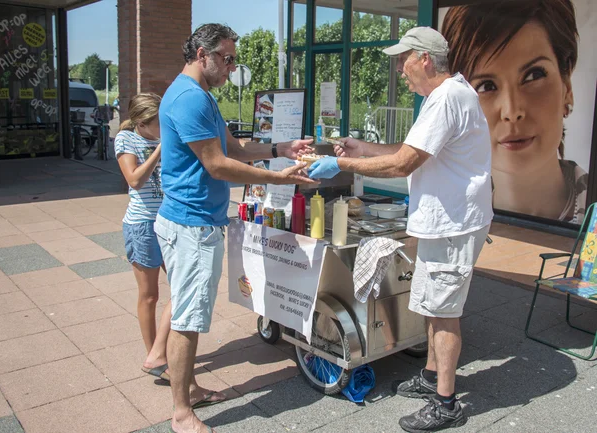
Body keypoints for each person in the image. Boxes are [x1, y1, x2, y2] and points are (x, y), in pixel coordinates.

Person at [308, 27, 493, 432]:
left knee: (444, 313)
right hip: (444, 222)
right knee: (430, 303)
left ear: (424, 59)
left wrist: (341, 165)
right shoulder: (441, 97)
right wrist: (361, 148)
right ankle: (431, 377)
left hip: (453, 225)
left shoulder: (446, 98)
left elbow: (402, 164)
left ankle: (447, 404)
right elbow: (409, 152)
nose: (398, 69)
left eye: (402, 59)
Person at [155, 23, 316, 433]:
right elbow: (218, 164)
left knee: (185, 310)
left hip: (194, 223)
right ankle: (180, 414)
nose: (231, 68)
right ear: (201, 54)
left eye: (233, 60)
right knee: (188, 320)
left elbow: (238, 149)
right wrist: (279, 178)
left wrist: (281, 149)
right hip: (190, 227)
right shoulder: (190, 99)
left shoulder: (201, 96)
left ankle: (188, 388)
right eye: (226, 59)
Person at [441, 0, 588, 223]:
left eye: (534, 75)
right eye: (486, 86)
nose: (512, 111)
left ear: (566, 84)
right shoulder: (448, 210)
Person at [114, 93, 171, 382]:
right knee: (150, 296)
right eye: (157, 122)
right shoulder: (126, 139)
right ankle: (155, 358)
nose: (163, 125)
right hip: (143, 226)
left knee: (183, 288)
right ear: (140, 122)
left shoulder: (164, 135)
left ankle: (161, 350)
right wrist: (160, 150)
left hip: (171, 222)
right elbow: (135, 180)